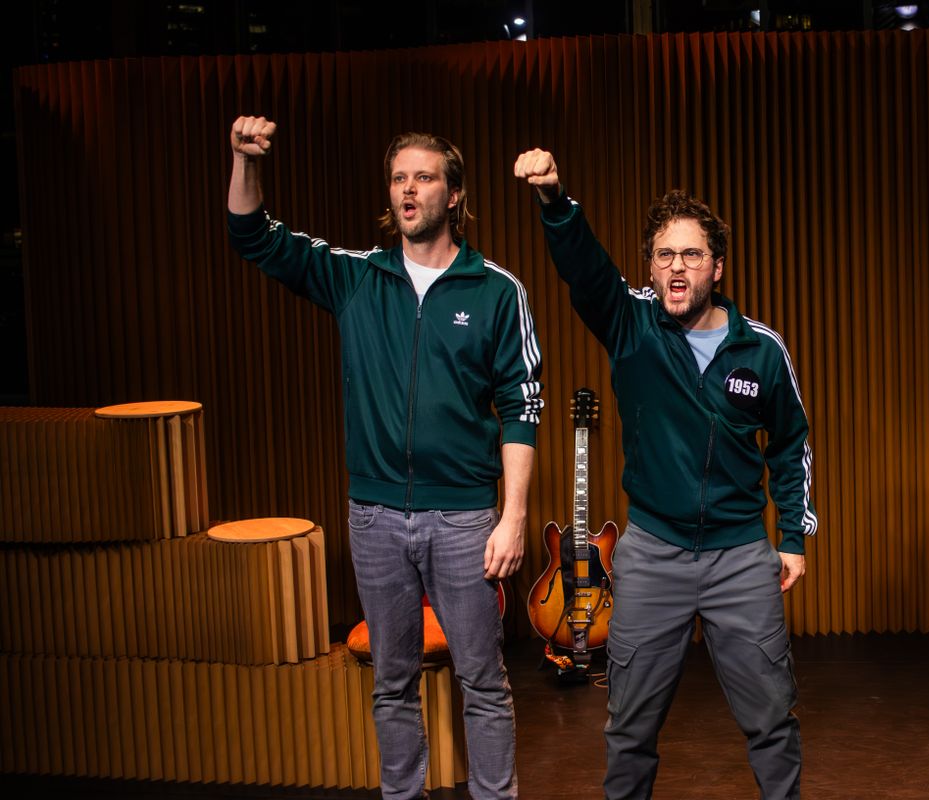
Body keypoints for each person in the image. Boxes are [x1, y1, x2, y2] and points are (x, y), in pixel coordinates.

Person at [227, 116, 542, 800]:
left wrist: (512, 517)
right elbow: (253, 237)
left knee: (483, 683)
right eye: (399, 178)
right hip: (373, 518)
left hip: (464, 520)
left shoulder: (497, 290)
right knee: (392, 684)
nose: (408, 190)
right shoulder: (356, 278)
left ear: (453, 195)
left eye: (424, 178)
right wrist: (245, 162)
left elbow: (522, 407)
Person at [513, 148, 816, 800]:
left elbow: (791, 444)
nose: (677, 266)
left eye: (692, 255)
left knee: (772, 723)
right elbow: (585, 268)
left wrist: (792, 536)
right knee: (629, 729)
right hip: (653, 554)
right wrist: (554, 202)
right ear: (651, 267)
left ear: (717, 266)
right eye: (665, 255)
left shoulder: (760, 349)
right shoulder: (631, 326)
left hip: (740, 557)